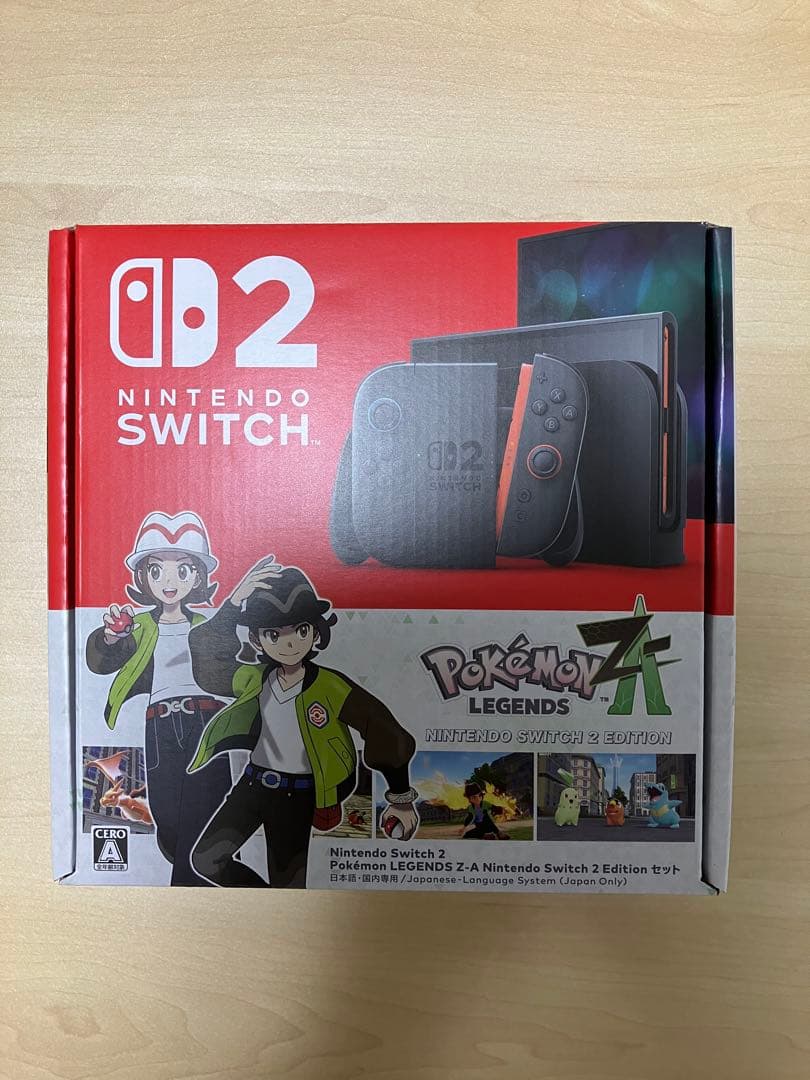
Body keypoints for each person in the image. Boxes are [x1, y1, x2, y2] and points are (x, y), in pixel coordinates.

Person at [186, 558, 419, 887]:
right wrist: (233, 605)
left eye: (301, 630)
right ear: (257, 640)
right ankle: (265, 907)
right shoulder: (255, 679)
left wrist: (401, 797)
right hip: (252, 787)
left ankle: (277, 909)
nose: (290, 643)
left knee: (288, 887)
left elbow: (382, 728)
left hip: (297, 796)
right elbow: (210, 664)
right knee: (206, 859)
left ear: (315, 631)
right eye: (274, 634)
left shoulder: (330, 686)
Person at [85, 511, 232, 885]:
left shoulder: (206, 625)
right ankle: (193, 871)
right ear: (143, 577)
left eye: (182, 571)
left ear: (197, 577)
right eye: (157, 571)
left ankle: (189, 882)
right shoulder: (141, 626)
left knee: (207, 807)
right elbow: (101, 662)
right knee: (166, 814)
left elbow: (231, 667)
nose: (169, 582)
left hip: (204, 720)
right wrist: (112, 637)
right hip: (160, 724)